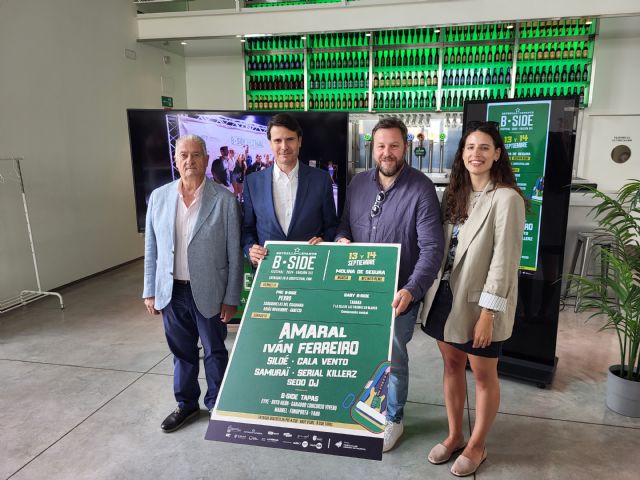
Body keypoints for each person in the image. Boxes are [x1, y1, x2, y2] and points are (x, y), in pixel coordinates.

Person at [421, 122, 526, 476]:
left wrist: (488, 314)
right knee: (451, 365)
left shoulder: (507, 199)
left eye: (484, 147)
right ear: (462, 154)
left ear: (497, 154)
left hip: (481, 303)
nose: (475, 154)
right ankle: (455, 436)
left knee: (483, 374)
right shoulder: (455, 194)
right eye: (469, 147)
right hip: (444, 295)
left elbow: (504, 263)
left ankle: (478, 445)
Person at [335, 117, 444, 452]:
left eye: (394, 145)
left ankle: (393, 418)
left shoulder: (421, 189)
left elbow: (432, 249)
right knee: (358, 355)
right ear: (372, 148)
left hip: (399, 295)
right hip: (357, 293)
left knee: (392, 361)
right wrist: (341, 240)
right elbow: (344, 226)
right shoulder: (358, 184)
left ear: (405, 147)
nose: (387, 152)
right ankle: (360, 408)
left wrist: (411, 290)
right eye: (381, 146)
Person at [143, 134, 242, 433]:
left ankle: (217, 404)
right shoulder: (159, 197)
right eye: (183, 155)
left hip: (211, 291)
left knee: (214, 351)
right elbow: (152, 248)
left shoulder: (224, 199)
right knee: (182, 353)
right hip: (172, 292)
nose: (190, 161)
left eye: (196, 155)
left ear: (206, 158)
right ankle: (186, 405)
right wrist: (150, 290)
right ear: (175, 159)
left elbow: (234, 253)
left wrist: (231, 297)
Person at [242, 113, 338, 264]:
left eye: (290, 139)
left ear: (299, 141)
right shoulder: (252, 182)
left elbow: (332, 226)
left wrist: (325, 241)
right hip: (268, 268)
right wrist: (250, 250)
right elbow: (247, 229)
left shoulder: (321, 180)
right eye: (277, 140)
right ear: (270, 143)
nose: (284, 147)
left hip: (310, 267)